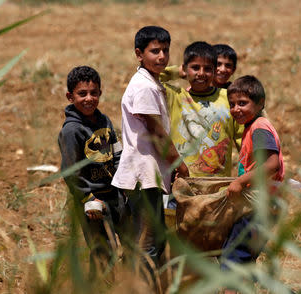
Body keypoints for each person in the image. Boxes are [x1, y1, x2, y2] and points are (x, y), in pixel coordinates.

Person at [111, 26, 188, 274]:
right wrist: (178, 163)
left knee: (150, 238)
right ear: (139, 53)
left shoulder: (151, 81)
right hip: (143, 174)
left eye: (165, 50)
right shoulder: (144, 87)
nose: (162, 56)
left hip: (148, 174)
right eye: (155, 51)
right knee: (148, 242)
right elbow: (156, 133)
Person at [58, 65, 126, 271]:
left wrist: (124, 182)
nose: (89, 98)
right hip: (92, 201)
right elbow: (71, 171)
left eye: (93, 93)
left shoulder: (104, 120)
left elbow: (116, 152)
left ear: (100, 93)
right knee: (103, 250)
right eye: (82, 94)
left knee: (132, 242)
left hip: (115, 194)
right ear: (70, 96)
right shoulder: (72, 131)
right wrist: (87, 197)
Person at [222, 75, 285, 292]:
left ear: (260, 103)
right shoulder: (253, 125)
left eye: (242, 103)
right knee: (244, 263)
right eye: (232, 104)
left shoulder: (259, 127)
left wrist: (240, 181)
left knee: (231, 262)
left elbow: (272, 164)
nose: (236, 109)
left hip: (258, 206)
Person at [163, 41, 243, 177]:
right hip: (182, 185)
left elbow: (243, 141)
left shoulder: (228, 98)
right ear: (185, 69)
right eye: (195, 68)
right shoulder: (176, 97)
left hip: (218, 187)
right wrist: (177, 72)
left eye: (207, 69)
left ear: (214, 71)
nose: (201, 73)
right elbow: (149, 77)